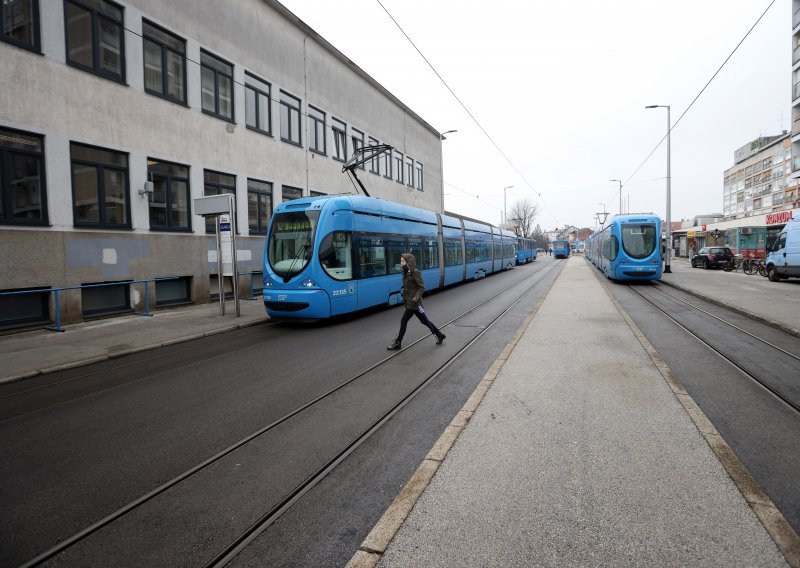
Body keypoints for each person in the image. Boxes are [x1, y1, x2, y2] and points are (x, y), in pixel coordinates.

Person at [386, 253, 445, 350]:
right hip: (410, 302)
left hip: (414, 303)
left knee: (403, 320)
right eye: (400, 261)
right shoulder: (405, 272)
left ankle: (398, 343)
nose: (400, 263)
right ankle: (440, 335)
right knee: (424, 321)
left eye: (402, 261)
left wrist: (416, 297)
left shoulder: (415, 272)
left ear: (409, 262)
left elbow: (421, 287)